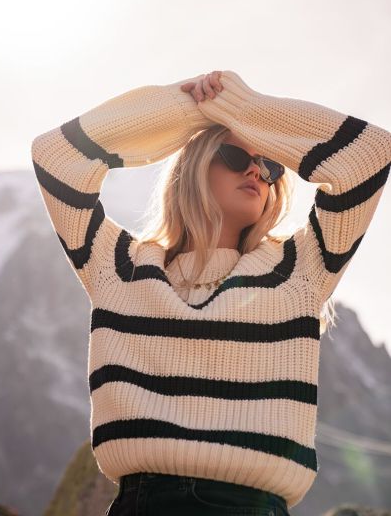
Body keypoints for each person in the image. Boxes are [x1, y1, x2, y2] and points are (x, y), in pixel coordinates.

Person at [31, 70, 391, 515]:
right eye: (235, 156)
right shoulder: (118, 268)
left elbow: (370, 155)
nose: (258, 170)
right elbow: (55, 157)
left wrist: (242, 110)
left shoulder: (299, 270)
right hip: (142, 504)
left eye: (270, 164)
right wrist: (186, 107)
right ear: (194, 166)